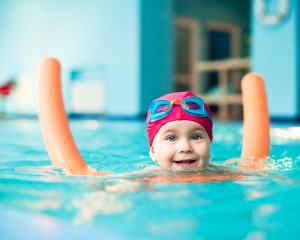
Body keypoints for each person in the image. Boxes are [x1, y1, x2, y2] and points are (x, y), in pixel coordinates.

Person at [146, 91, 213, 171]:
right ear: (153, 151)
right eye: (171, 138)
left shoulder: (223, 175)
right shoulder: (145, 179)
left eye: (196, 137)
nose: (185, 148)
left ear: (209, 143)